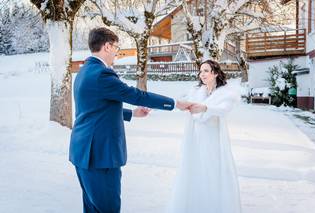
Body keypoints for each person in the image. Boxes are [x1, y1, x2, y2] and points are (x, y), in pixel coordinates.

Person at [69, 27, 185, 213]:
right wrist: (175, 103)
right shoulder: (102, 74)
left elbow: (95, 108)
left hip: (83, 153)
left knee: (92, 209)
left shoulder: (85, 71)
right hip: (100, 156)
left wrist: (132, 114)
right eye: (116, 47)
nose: (117, 52)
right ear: (107, 46)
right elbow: (136, 95)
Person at [168, 60, 242, 213]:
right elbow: (184, 102)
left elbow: (224, 109)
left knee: (212, 172)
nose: (202, 74)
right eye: (201, 71)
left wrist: (206, 107)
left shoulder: (226, 93)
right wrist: (180, 105)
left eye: (206, 71)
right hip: (196, 139)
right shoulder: (196, 91)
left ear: (215, 73)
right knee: (196, 170)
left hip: (214, 140)